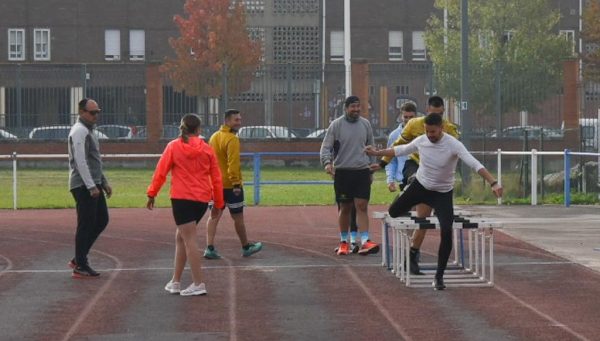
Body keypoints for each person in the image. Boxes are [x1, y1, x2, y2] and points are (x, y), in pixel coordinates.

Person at [365, 113, 503, 290]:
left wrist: (493, 182)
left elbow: (475, 164)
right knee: (393, 213)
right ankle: (405, 192)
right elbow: (400, 150)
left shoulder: (454, 144)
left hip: (442, 193)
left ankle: (439, 276)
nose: (430, 135)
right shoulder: (422, 140)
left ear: (442, 129)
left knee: (446, 231)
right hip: (420, 187)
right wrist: (378, 154)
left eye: (434, 132)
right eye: (428, 131)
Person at [376, 96, 459, 275]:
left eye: (440, 115)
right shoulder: (414, 124)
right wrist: (383, 163)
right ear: (427, 112)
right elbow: (398, 146)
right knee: (415, 178)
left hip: (434, 175)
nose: (436, 119)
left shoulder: (450, 129)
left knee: (423, 217)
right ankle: (408, 190)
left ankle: (412, 256)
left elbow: (456, 155)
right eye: (433, 114)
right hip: (414, 166)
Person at [146, 114, 225, 296]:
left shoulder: (174, 147)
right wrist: (218, 203)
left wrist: (152, 193)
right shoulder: (207, 150)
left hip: (182, 199)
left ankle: (198, 283)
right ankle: (175, 281)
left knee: (189, 239)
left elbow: (161, 172)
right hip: (201, 201)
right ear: (198, 129)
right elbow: (217, 178)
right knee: (181, 237)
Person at [320, 95, 380, 256]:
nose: (356, 110)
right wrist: (327, 163)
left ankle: (365, 240)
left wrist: (372, 168)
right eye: (352, 107)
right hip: (343, 172)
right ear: (346, 108)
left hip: (361, 171)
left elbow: (371, 147)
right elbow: (326, 148)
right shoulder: (336, 125)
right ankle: (344, 241)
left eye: (358, 107)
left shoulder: (365, 124)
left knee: (362, 206)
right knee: (345, 207)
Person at [203, 109, 262, 260]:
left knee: (214, 216)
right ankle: (245, 246)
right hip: (230, 185)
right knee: (238, 218)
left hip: (215, 184)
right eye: (236, 120)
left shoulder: (214, 137)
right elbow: (233, 163)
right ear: (227, 121)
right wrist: (236, 184)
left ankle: (209, 247)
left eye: (240, 119)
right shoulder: (232, 139)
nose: (239, 122)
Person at [68, 98, 112, 278]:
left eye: (97, 112)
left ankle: (78, 257)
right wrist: (91, 186)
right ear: (81, 112)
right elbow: (80, 161)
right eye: (92, 112)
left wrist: (103, 181)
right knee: (86, 224)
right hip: (83, 185)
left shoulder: (89, 131)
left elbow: (94, 161)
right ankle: (80, 264)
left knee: (101, 219)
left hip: (93, 183)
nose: (96, 116)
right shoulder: (79, 131)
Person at [385, 102, 417, 192]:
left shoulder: (423, 133)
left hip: (421, 178)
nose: (408, 120)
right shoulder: (394, 136)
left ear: (416, 116)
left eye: (411, 117)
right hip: (403, 179)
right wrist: (390, 180)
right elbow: (391, 160)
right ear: (401, 117)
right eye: (405, 117)